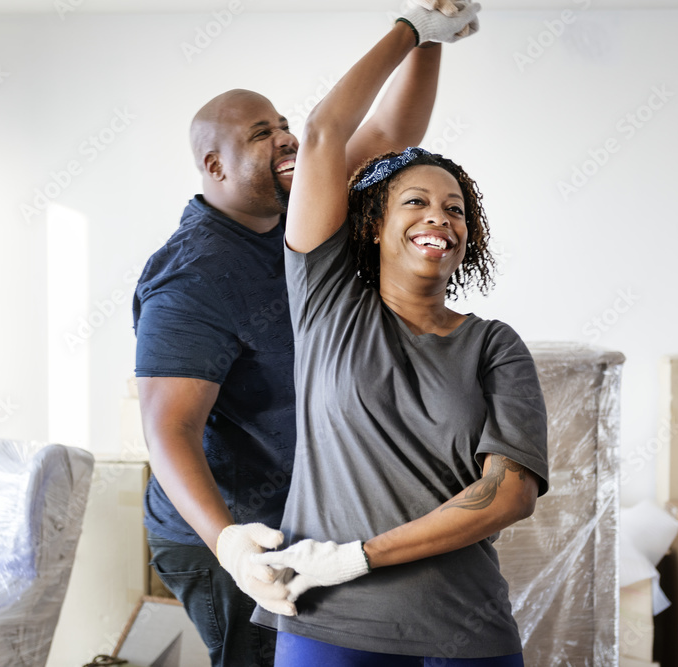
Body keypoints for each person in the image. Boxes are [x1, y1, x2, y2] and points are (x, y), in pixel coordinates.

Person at [131, 5, 480, 666]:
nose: (288, 139)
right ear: (214, 165)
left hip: (308, 512)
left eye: (286, 125)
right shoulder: (192, 278)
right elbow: (166, 427)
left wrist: (434, 35)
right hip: (226, 524)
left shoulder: (298, 212)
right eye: (263, 134)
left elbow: (385, 133)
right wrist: (230, 542)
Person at [249, 9, 549, 666]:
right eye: (415, 201)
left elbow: (509, 493)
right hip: (329, 629)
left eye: (455, 208)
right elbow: (328, 132)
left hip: (464, 633)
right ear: (374, 225)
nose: (438, 216)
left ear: (468, 237)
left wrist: (357, 555)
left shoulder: (496, 346)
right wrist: (417, 27)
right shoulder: (327, 305)